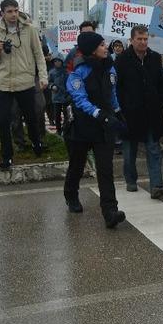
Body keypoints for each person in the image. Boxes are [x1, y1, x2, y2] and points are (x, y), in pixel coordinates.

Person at [63, 31, 126, 228]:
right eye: (101, 45)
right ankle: (71, 195)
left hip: (104, 125)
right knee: (77, 165)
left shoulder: (110, 69)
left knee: (105, 169)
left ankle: (110, 211)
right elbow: (80, 100)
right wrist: (99, 114)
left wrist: (118, 113)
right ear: (91, 49)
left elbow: (112, 94)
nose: (105, 47)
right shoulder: (78, 71)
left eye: (104, 44)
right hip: (83, 125)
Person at [0, 0, 48, 170]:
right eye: (9, 11)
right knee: (4, 121)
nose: (13, 14)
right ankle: (7, 156)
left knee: (31, 118)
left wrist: (43, 77)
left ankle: (37, 143)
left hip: (25, 82)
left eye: (15, 10)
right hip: (3, 83)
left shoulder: (29, 29)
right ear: (2, 13)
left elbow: (39, 55)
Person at [114, 26, 163, 198]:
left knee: (154, 150)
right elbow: (117, 87)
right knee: (130, 153)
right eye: (140, 39)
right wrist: (122, 108)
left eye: (146, 39)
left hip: (152, 113)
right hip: (130, 115)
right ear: (132, 40)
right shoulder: (122, 60)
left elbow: (162, 82)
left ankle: (156, 185)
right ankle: (131, 180)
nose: (143, 42)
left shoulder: (154, 58)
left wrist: (160, 101)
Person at [48, 55, 70, 133]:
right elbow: (48, 82)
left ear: (62, 62)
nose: (57, 63)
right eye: (55, 61)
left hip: (65, 97)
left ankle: (66, 129)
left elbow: (70, 83)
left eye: (58, 61)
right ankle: (58, 130)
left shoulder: (66, 71)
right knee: (57, 116)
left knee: (67, 115)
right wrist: (52, 86)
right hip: (56, 98)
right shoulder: (51, 72)